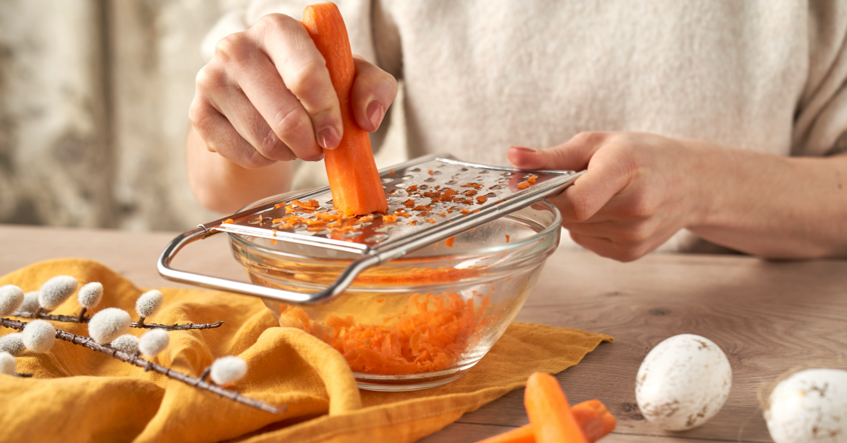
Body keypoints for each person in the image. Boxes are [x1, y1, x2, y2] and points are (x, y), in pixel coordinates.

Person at [186, 0, 847, 262]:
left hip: (739, 334)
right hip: (457, 324)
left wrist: (702, 187)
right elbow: (216, 183)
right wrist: (250, 123)